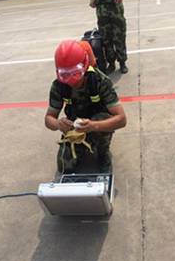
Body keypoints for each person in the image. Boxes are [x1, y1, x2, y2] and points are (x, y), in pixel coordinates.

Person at [45, 40, 127, 175]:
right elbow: (49, 118)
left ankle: (103, 152)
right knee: (65, 166)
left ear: (85, 65)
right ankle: (81, 147)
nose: (71, 79)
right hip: (75, 128)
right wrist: (58, 124)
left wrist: (93, 126)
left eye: (75, 72)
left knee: (103, 118)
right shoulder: (59, 86)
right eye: (65, 74)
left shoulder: (99, 81)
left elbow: (121, 119)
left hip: (97, 123)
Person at [88, 0, 131, 74]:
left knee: (119, 35)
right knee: (106, 37)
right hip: (101, 6)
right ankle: (111, 63)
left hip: (115, 6)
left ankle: (122, 62)